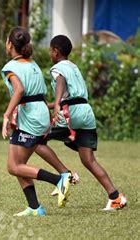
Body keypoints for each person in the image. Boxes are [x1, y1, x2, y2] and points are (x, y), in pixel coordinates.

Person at [34, 35, 127, 210]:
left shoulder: (57, 68)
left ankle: (65, 174)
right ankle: (115, 197)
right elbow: (73, 96)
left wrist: (57, 106)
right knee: (88, 159)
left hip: (71, 113)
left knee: (36, 139)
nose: (49, 53)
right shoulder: (74, 67)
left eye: (50, 50)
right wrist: (50, 104)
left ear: (55, 51)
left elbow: (60, 82)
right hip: (86, 112)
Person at [1, 27, 72, 216]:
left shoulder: (10, 67)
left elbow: (19, 91)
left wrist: (6, 115)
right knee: (15, 166)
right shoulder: (32, 64)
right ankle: (34, 207)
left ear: (9, 44)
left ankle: (59, 179)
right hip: (36, 113)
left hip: (31, 117)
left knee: (15, 166)